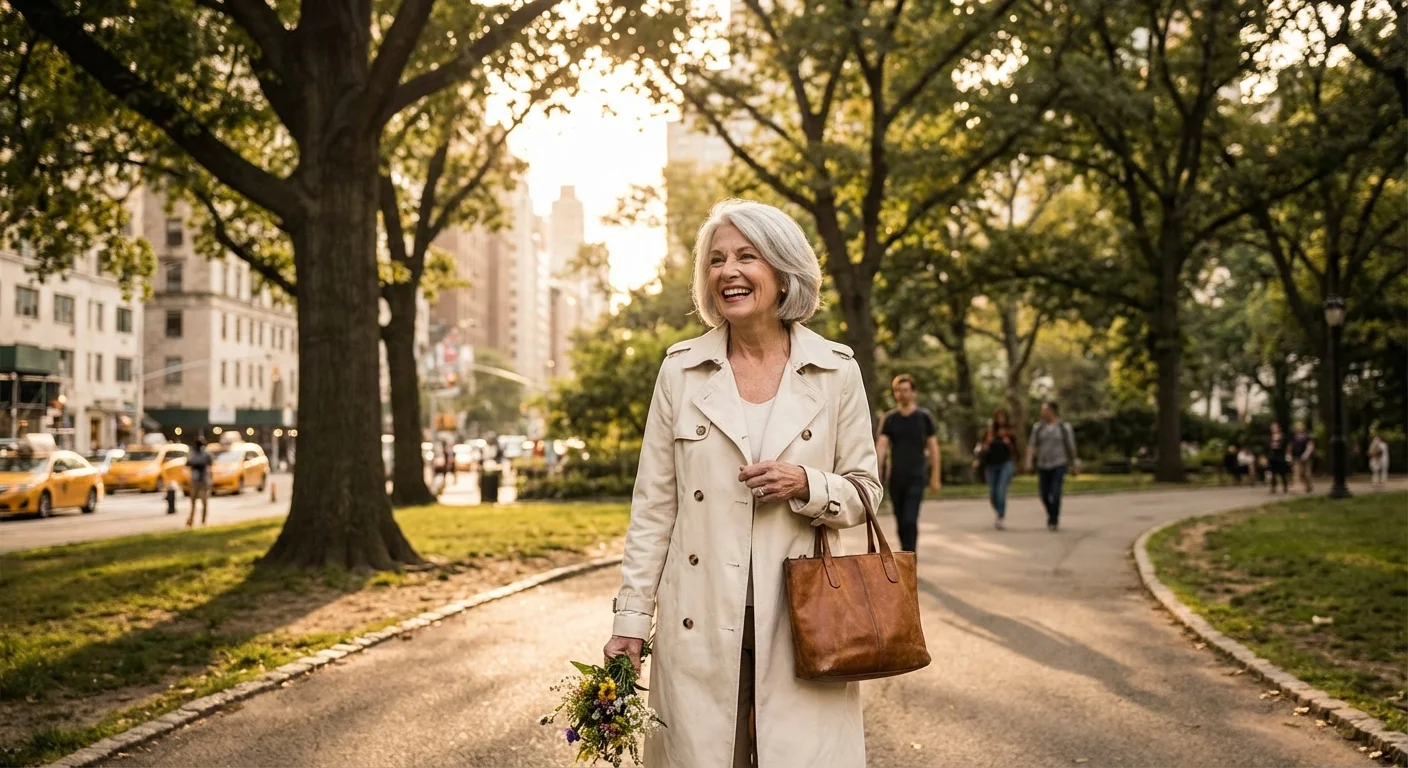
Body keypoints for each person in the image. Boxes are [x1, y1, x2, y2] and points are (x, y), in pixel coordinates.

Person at [603, 200, 881, 768]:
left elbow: (865, 492)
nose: (727, 271)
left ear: (783, 271)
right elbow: (653, 509)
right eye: (716, 260)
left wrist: (807, 482)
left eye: (746, 256)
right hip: (697, 624)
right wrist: (630, 623)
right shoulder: (680, 371)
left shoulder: (836, 369)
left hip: (804, 622)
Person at [875, 374, 941, 552]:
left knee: (910, 519)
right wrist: (876, 474)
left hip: (916, 476)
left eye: (905, 390)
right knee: (900, 519)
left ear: (913, 393)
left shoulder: (923, 417)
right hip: (896, 476)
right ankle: (907, 555)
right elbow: (881, 446)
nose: (901, 394)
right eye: (897, 390)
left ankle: (910, 556)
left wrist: (935, 476)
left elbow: (933, 448)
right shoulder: (889, 419)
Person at [1025, 401, 1079, 531]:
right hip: (1043, 464)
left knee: (1055, 492)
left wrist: (1075, 464)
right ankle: (1051, 513)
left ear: (1052, 411)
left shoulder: (1064, 428)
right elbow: (1032, 445)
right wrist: (1029, 462)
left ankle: (1054, 519)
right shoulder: (1038, 428)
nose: (1042, 412)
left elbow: (1071, 447)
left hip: (1059, 464)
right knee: (1044, 494)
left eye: (1045, 410)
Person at [974, 408, 1017, 529]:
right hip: (991, 465)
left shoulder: (1010, 432)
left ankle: (1000, 517)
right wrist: (978, 458)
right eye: (999, 416)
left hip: (1006, 464)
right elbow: (980, 446)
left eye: (1003, 416)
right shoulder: (989, 431)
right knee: (993, 493)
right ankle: (998, 511)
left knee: (1001, 490)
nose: (1001, 419)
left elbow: (1017, 448)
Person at [185, 437, 212, 527]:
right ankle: (191, 520)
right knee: (193, 503)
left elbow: (208, 463)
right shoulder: (194, 454)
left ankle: (203, 521)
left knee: (203, 502)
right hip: (196, 480)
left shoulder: (205, 454)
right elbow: (188, 463)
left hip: (202, 481)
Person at [1289, 422, 1315, 492]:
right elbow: (1290, 446)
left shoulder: (1307, 436)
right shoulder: (1294, 437)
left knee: (1307, 473)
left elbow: (1310, 445)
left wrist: (1306, 454)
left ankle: (1309, 486)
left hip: (1306, 458)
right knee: (1299, 473)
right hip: (1297, 457)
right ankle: (1301, 486)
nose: (1299, 428)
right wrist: (1288, 454)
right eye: (1298, 427)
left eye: (1300, 427)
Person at [1267, 423, 1290, 493]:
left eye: (1275, 427)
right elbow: (1268, 448)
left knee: (1282, 473)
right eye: (1272, 428)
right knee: (1273, 473)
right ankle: (1273, 487)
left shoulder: (1283, 437)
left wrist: (1288, 455)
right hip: (1272, 457)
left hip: (1281, 457)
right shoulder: (1270, 437)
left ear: (1279, 428)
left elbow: (1288, 446)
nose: (1273, 429)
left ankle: (1285, 486)